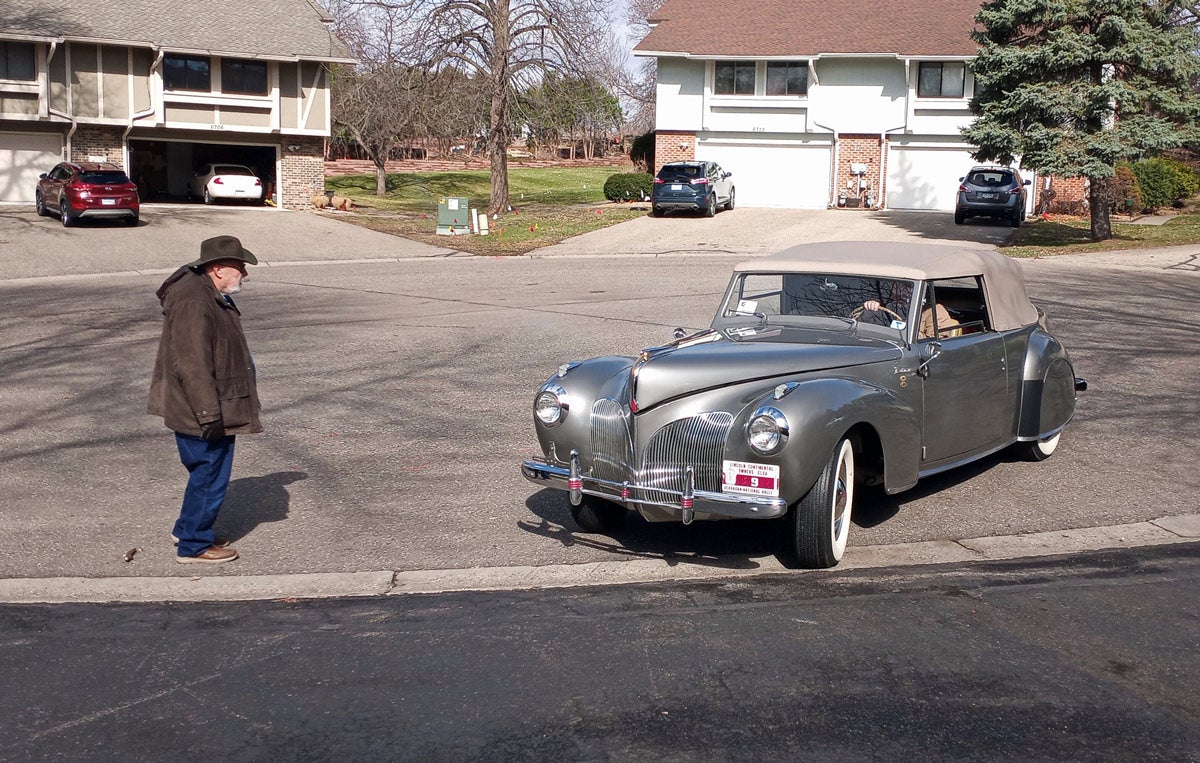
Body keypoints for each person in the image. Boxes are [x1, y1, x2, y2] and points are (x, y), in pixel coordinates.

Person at [148, 235, 262, 564]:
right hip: (203, 407)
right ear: (216, 269)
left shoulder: (204, 292)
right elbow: (192, 364)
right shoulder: (194, 302)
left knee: (204, 470)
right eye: (239, 266)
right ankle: (193, 545)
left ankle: (188, 528)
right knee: (209, 472)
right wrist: (208, 412)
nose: (245, 273)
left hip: (205, 403)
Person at [862, 298, 955, 339]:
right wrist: (872, 306)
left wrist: (909, 332)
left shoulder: (935, 310)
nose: (900, 291)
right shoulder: (893, 305)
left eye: (907, 287)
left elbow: (937, 342)